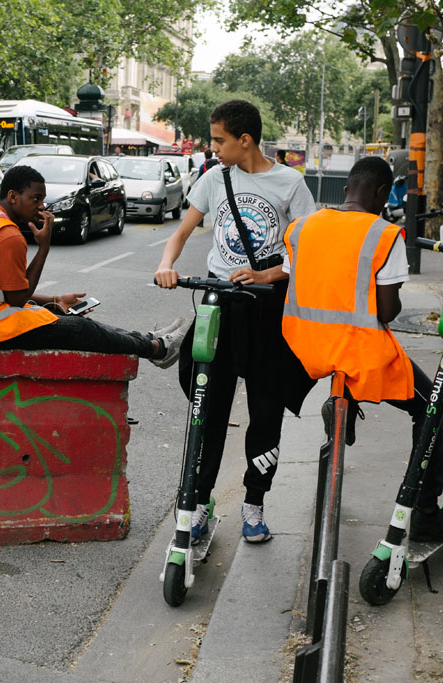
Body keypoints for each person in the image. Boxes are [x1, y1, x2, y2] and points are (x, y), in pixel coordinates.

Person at [154, 99, 317, 544]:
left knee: (266, 411)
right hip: (219, 305)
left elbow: (306, 252)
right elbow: (182, 231)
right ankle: (201, 500)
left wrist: (268, 273)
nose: (213, 148)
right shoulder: (213, 178)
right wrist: (168, 264)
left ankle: (254, 503)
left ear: (245, 140)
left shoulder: (290, 184)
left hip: (267, 308)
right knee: (209, 406)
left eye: (219, 140)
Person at [280, 156, 443, 543]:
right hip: (359, 352)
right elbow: (387, 311)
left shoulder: (302, 228)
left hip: (304, 349)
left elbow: (300, 279)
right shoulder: (383, 234)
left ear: (346, 188)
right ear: (382, 192)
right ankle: (427, 513)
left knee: (344, 368)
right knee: (431, 405)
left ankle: (342, 397)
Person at [0, 165, 188, 365]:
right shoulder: (9, 236)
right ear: (13, 196)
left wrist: (54, 299)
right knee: (79, 328)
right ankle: (156, 349)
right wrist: (44, 246)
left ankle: (146, 339)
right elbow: (15, 299)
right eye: (36, 199)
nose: (42, 206)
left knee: (59, 315)